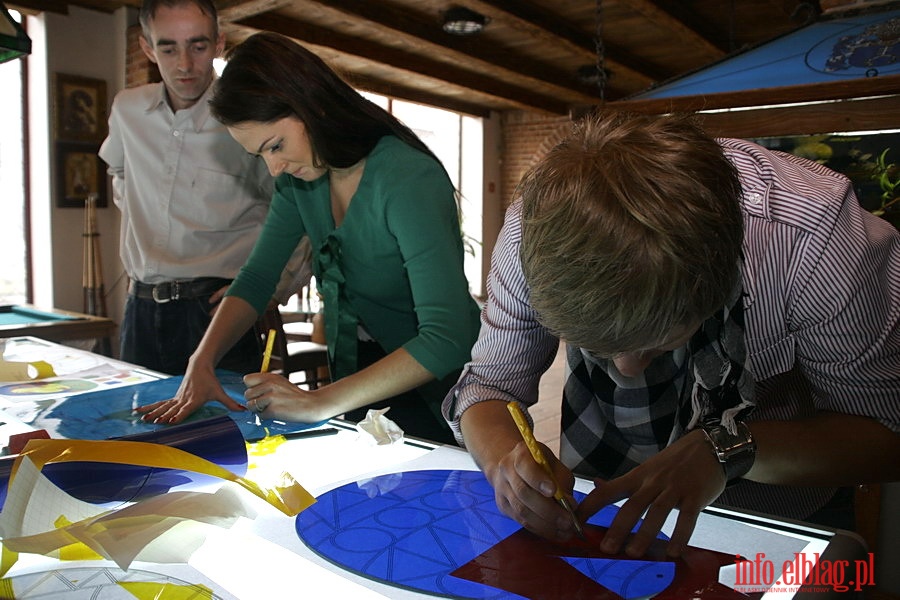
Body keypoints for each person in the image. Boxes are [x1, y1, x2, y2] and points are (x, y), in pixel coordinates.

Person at [443, 111, 900, 558]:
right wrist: (503, 457)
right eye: (598, 349)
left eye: (657, 344)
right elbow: (489, 385)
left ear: (721, 280)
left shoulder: (816, 239)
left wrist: (730, 450)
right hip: (599, 508)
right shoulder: (534, 231)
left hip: (775, 517)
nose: (625, 369)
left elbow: (885, 437)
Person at [136, 32, 481, 445]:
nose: (275, 168)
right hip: (362, 370)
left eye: (275, 145)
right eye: (260, 155)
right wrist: (202, 361)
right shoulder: (303, 180)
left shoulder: (406, 177)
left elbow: (447, 336)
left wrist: (319, 401)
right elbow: (258, 277)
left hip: (451, 386)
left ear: (310, 104)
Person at [99, 0, 307, 375]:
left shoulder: (247, 118)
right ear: (147, 48)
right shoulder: (126, 110)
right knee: (134, 433)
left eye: (197, 46)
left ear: (219, 44)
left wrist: (271, 289)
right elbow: (119, 175)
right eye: (168, 47)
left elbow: (297, 207)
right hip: (140, 308)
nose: (184, 64)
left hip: (216, 310)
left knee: (227, 432)